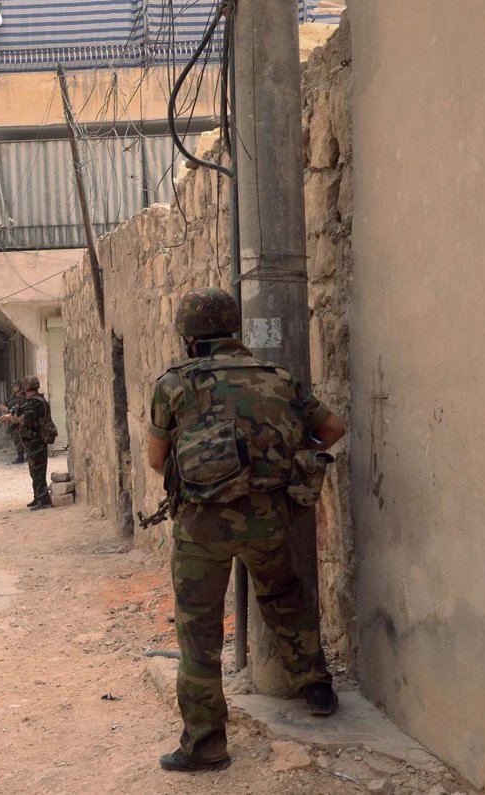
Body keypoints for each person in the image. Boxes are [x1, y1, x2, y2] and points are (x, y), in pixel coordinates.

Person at [146, 287, 346, 773]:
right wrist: (287, 447)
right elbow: (334, 429)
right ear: (233, 329)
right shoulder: (279, 378)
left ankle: (206, 745)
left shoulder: (174, 385)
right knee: (284, 595)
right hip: (268, 519)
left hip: (201, 528)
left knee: (199, 630)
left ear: (189, 336)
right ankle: (316, 687)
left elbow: (155, 459)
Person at [2, 376, 53, 510]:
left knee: (38, 470)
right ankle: (38, 497)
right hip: (33, 441)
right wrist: (11, 413)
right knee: (34, 470)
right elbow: (20, 408)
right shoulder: (33, 401)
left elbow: (27, 419)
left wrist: (13, 419)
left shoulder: (36, 403)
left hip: (38, 440)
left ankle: (44, 499)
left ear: (26, 388)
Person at [1, 380, 27, 465]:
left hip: (23, 420)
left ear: (20, 387)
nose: (14, 388)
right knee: (16, 439)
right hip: (14, 421)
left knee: (26, 438)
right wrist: (5, 409)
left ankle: (29, 455)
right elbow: (2, 405)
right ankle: (20, 456)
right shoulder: (11, 398)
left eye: (16, 386)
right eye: (13, 386)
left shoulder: (24, 397)